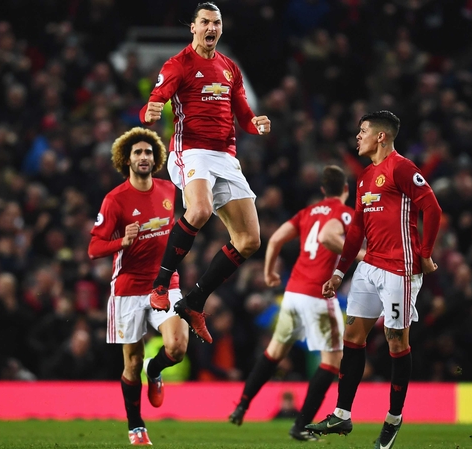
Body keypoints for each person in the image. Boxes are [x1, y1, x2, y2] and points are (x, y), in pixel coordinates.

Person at [305, 111, 442, 449]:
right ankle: (342, 413)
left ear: (381, 136)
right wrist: (339, 272)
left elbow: (433, 208)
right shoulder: (366, 176)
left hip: (400, 266)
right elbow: (356, 231)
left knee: (396, 339)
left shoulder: (401, 168)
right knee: (352, 337)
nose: (357, 137)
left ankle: (393, 418)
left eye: (363, 131)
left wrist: (424, 253)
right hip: (370, 267)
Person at [140, 2, 271, 344]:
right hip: (191, 150)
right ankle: (160, 285)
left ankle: (195, 300)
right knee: (198, 209)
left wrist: (256, 125)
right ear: (193, 28)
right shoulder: (178, 64)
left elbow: (243, 115)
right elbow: (156, 99)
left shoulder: (230, 68)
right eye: (204, 22)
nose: (211, 28)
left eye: (216, 23)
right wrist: (149, 112)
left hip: (225, 155)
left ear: (221, 29)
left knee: (250, 240)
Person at [228, 165, 364, 441]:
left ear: (324, 189)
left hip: (292, 293)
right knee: (333, 361)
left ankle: (242, 404)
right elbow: (328, 236)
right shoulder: (345, 214)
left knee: (275, 350)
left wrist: (268, 271)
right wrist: (361, 255)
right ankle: (301, 424)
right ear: (346, 190)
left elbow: (276, 237)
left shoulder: (309, 212)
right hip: (317, 296)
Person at [88, 127, 190, 446]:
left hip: (164, 284)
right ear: (127, 159)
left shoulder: (170, 191)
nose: (143, 157)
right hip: (128, 290)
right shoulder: (115, 199)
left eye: (148, 152)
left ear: (155, 158)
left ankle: (156, 370)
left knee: (177, 347)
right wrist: (122, 240)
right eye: (137, 153)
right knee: (131, 362)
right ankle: (136, 426)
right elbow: (94, 248)